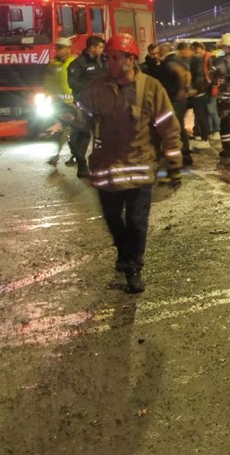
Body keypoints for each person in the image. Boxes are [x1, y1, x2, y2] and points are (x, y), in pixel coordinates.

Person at [75, 32, 181, 293]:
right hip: (107, 167)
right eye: (107, 57)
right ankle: (125, 254)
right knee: (113, 219)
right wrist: (64, 122)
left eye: (113, 57)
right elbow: (82, 120)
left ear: (131, 60)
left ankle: (133, 267)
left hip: (139, 165)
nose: (108, 61)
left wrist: (173, 160)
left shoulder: (151, 88)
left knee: (136, 221)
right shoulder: (96, 88)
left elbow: (168, 126)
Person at [67, 35, 106, 178]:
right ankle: (82, 164)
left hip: (103, 105)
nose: (103, 50)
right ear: (92, 48)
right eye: (100, 47)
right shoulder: (77, 65)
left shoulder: (103, 61)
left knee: (105, 134)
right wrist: (92, 88)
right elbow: (73, 84)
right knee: (83, 135)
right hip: (85, 106)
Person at [155, 42, 193, 170]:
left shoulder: (169, 61)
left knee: (174, 127)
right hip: (180, 99)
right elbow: (187, 74)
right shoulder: (178, 59)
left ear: (162, 52)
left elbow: (182, 73)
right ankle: (185, 153)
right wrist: (186, 88)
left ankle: (183, 154)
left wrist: (180, 91)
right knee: (178, 125)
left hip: (175, 99)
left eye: (158, 53)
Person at [43, 37, 77, 166]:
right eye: (57, 48)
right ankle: (68, 154)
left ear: (68, 49)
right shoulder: (52, 64)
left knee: (69, 130)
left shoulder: (74, 62)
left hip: (72, 103)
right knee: (63, 131)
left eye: (61, 48)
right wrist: (46, 94)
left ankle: (63, 155)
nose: (58, 50)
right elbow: (48, 81)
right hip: (58, 104)